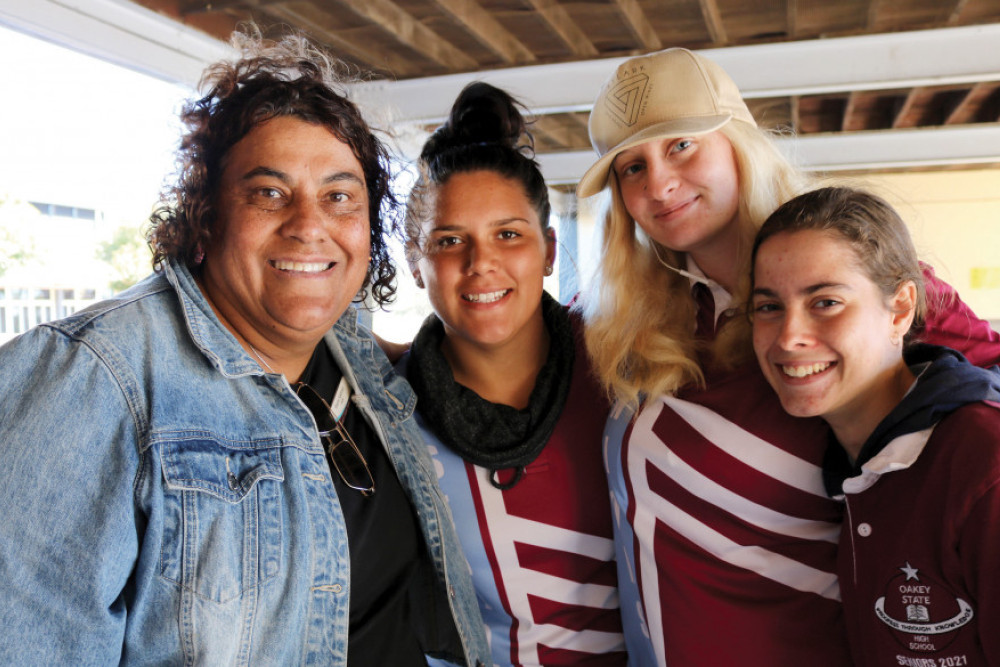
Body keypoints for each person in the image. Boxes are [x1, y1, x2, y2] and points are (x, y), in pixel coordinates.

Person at [0, 30, 489, 667]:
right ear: (205, 215)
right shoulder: (85, 380)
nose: (309, 225)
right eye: (268, 193)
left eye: (339, 196)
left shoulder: (346, 350)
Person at [576, 47, 1000, 666]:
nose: (658, 184)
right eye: (629, 168)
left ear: (739, 145)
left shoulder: (855, 275)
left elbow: (981, 397)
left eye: (682, 146)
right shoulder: (633, 313)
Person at [397, 82, 627, 666]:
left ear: (549, 251)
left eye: (509, 234)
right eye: (450, 241)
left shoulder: (629, 372)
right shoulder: (384, 408)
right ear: (416, 264)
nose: (482, 265)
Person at [750, 185, 1000, 666]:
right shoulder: (847, 465)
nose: (789, 336)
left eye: (825, 301)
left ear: (902, 308)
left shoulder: (980, 466)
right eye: (768, 307)